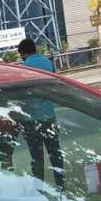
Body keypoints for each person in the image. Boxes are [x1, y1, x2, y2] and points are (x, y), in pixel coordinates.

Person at [16, 39, 64, 187]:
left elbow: (21, 95)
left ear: (23, 53)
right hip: (49, 116)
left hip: (31, 120)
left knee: (37, 157)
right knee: (55, 153)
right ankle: (60, 184)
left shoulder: (24, 67)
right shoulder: (48, 63)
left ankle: (39, 187)